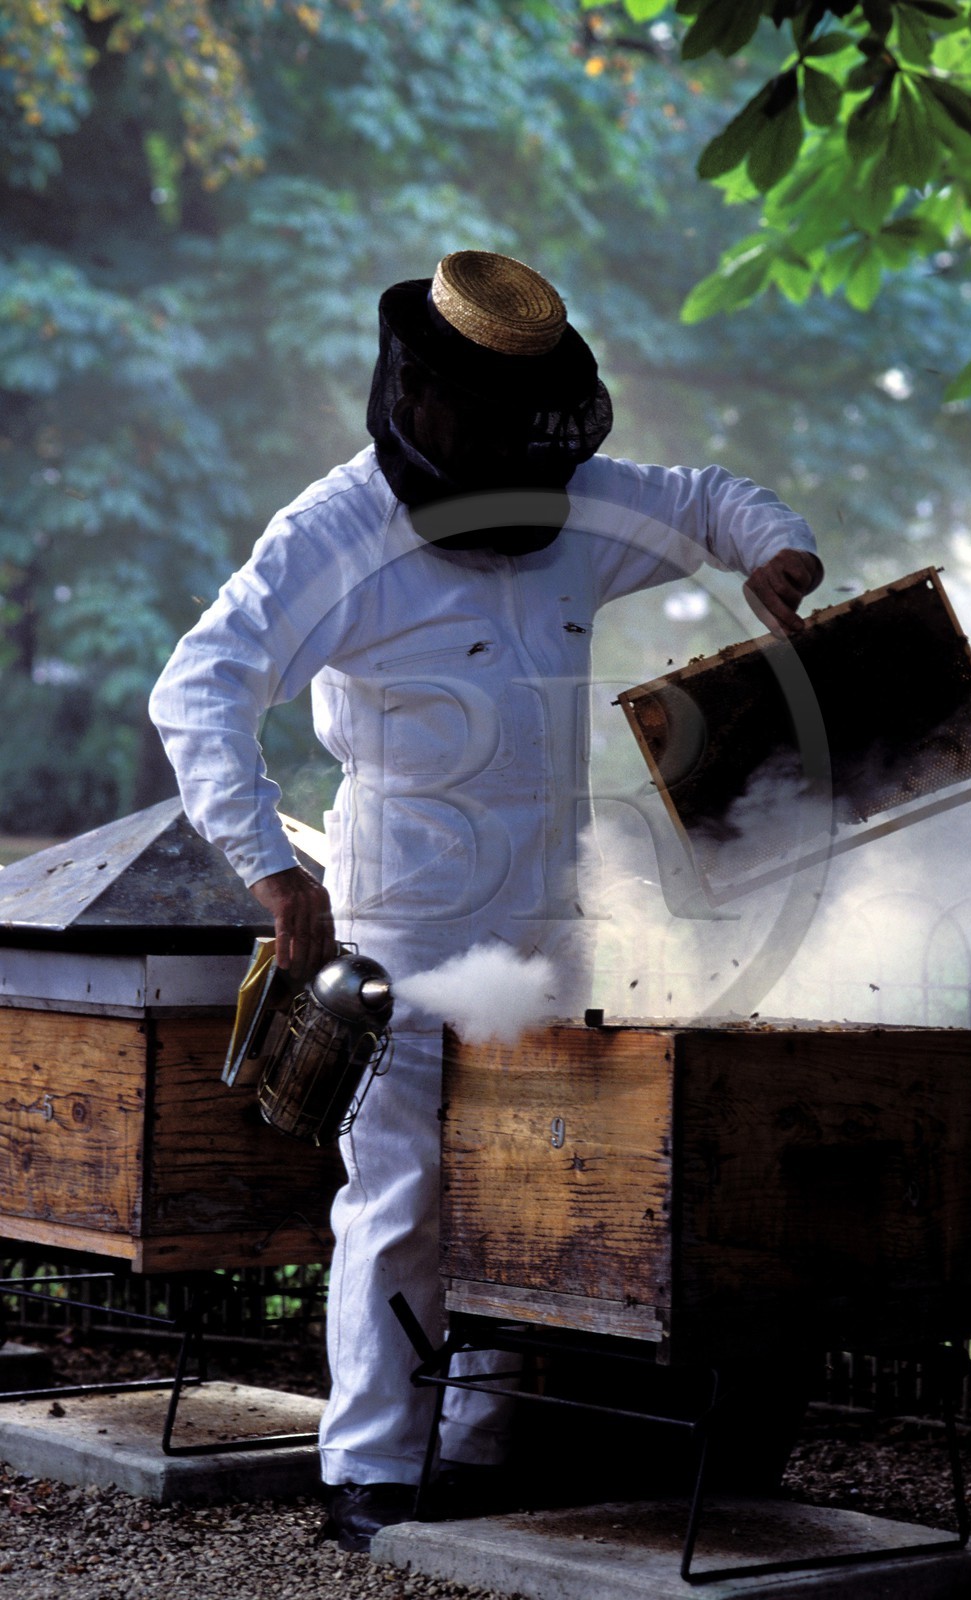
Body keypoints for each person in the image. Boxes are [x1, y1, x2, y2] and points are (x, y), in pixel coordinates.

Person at [149, 250, 822, 1548]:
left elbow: (706, 499)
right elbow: (200, 684)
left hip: (545, 925)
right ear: (435, 407)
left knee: (534, 1192)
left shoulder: (578, 501)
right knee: (398, 1197)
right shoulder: (333, 533)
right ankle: (369, 1479)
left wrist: (775, 553)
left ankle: (478, 1451)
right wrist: (273, 869)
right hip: (399, 923)